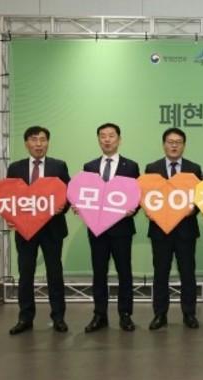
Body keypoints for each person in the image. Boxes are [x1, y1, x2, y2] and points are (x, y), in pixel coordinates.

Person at [6, 126, 70, 335]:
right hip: (25, 230)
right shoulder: (15, 168)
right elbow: (9, 197)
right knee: (26, 274)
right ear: (26, 143)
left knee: (54, 274)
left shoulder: (58, 166)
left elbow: (68, 194)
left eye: (43, 139)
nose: (39, 144)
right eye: (34, 139)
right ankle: (25, 318)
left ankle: (58, 317)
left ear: (48, 143)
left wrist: (63, 207)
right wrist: (10, 217)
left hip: (52, 229)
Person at [82, 123, 140, 332]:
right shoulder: (89, 166)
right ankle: (100, 315)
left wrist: (134, 209)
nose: (107, 139)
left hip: (122, 229)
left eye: (111, 136)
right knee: (99, 273)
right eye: (103, 136)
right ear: (98, 139)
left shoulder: (131, 166)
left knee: (125, 272)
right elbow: (84, 193)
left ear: (119, 139)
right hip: (97, 230)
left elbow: (137, 195)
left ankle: (125, 315)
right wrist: (80, 206)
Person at [144, 128, 202, 330]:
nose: (174, 145)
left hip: (186, 231)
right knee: (161, 273)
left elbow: (201, 198)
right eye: (170, 142)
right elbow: (146, 196)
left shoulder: (194, 169)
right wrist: (148, 210)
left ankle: (189, 313)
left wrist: (194, 209)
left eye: (178, 142)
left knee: (188, 273)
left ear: (184, 145)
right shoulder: (152, 168)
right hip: (160, 231)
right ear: (164, 145)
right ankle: (160, 314)